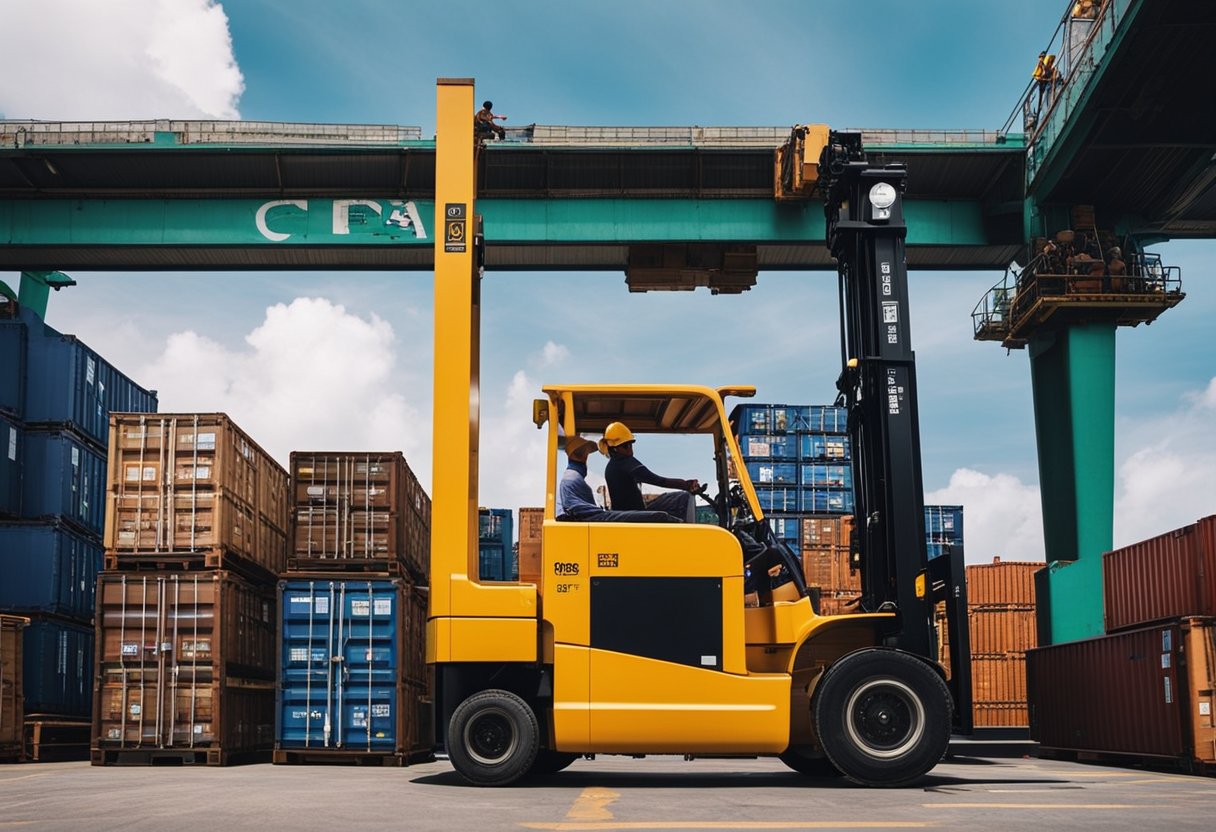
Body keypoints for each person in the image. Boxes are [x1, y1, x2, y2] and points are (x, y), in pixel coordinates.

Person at [556, 435, 676, 523]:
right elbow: (583, 512)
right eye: (585, 454)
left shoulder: (571, 477)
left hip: (596, 517)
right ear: (581, 454)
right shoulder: (572, 478)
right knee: (660, 517)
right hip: (597, 518)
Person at [599, 422, 700, 523]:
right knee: (682, 498)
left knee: (675, 498)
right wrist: (687, 485)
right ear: (615, 449)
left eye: (630, 444)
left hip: (627, 516)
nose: (630, 449)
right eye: (626, 445)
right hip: (633, 517)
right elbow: (659, 481)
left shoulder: (612, 466)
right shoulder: (625, 462)